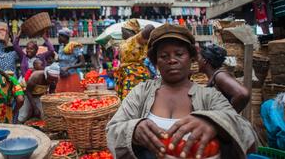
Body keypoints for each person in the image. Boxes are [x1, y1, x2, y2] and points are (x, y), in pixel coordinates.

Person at [106, 24, 258, 159]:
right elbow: (113, 129)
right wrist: (134, 130)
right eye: (164, 56)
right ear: (155, 61)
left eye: (179, 54)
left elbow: (247, 133)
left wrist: (215, 123)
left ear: (191, 57)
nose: (172, 60)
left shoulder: (209, 96)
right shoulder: (141, 92)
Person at [197, 44, 250, 113]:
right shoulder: (214, 77)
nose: (197, 61)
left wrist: (228, 115)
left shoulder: (220, 76)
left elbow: (242, 93)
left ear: (204, 61)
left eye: (199, 58)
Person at [114, 19, 154, 100]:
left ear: (131, 31)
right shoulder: (126, 42)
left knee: (133, 103)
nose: (122, 32)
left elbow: (150, 28)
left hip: (135, 76)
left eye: (124, 30)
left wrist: (142, 31)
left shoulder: (137, 40)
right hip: (126, 75)